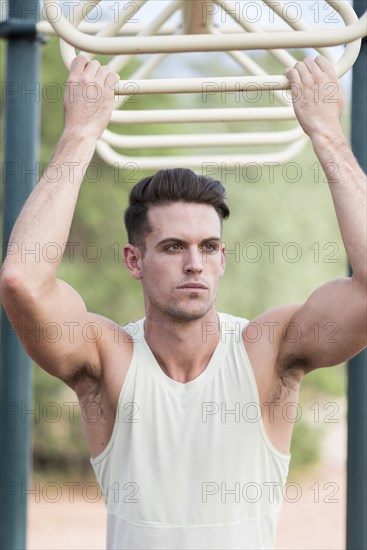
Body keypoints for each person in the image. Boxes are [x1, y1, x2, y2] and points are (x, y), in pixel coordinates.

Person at [0, 54, 366, 550]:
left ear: (222, 259)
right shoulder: (107, 358)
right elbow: (22, 279)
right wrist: (80, 136)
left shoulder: (267, 349)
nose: (194, 262)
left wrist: (328, 135)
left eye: (208, 247)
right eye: (173, 247)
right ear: (134, 260)